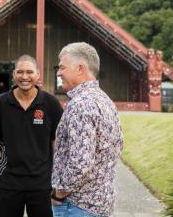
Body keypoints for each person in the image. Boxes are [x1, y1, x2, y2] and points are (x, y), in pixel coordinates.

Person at [0, 54, 63, 217]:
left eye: (29, 72)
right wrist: (8, 159)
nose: (24, 77)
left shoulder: (51, 104)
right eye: (20, 72)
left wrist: (56, 176)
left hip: (41, 184)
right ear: (13, 75)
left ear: (38, 74)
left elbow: (56, 143)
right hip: (8, 183)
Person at [51, 42, 124, 217]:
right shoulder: (105, 100)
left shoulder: (80, 105)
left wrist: (59, 194)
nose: (58, 73)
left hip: (77, 206)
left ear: (80, 68)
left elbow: (80, 162)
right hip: (100, 203)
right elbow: (118, 145)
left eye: (62, 68)